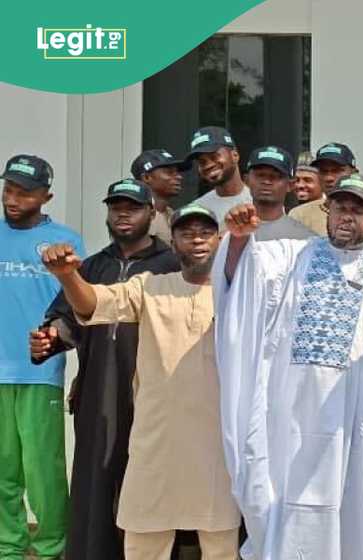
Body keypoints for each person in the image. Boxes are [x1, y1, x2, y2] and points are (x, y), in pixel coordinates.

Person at [215, 173, 363, 559]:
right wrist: (239, 238)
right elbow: (240, 281)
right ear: (327, 209)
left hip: (361, 417)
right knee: (288, 504)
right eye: (340, 206)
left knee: (358, 512)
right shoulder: (291, 256)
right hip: (291, 416)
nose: (347, 216)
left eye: (358, 209)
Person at [40, 204, 240, 560]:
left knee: (220, 548)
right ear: (172, 242)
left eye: (205, 232)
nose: (196, 239)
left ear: (219, 239)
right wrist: (68, 276)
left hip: (217, 447)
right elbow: (93, 304)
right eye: (186, 232)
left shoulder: (239, 292)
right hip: (155, 443)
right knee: (144, 545)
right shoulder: (150, 286)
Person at [30, 178, 179, 560]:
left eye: (132, 207)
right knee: (95, 485)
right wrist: (51, 337)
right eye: (116, 208)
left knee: (149, 486)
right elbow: (66, 320)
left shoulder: (172, 266)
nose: (123, 214)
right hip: (98, 391)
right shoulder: (92, 265)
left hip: (155, 396)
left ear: (151, 213)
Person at [0, 154, 82, 560]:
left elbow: (75, 305)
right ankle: (9, 547)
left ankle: (52, 547)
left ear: (45, 196)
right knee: (3, 469)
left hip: (38, 369)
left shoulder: (66, 241)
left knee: (42, 468)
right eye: (9, 189)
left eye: (25, 193)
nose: (13, 199)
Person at [244, 145, 315, 241]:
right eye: (260, 175)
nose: (266, 181)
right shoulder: (229, 231)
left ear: (290, 185)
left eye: (275, 176)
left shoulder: (305, 238)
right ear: (247, 180)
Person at [289, 142, 360, 236]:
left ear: (354, 173)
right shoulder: (300, 215)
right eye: (323, 171)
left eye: (337, 170)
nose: (329, 178)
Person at [186, 126, 251, 227]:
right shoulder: (197, 209)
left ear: (235, 156)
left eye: (214, 156)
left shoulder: (261, 201)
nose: (208, 165)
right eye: (202, 162)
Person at [131, 149, 188, 243]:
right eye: (169, 172)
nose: (179, 177)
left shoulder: (172, 214)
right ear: (146, 177)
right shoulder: (138, 218)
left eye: (177, 172)